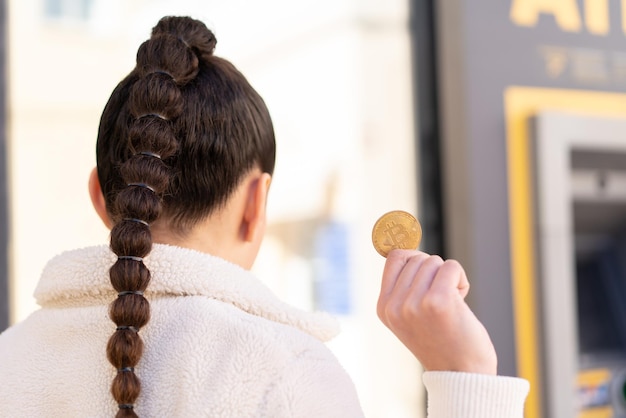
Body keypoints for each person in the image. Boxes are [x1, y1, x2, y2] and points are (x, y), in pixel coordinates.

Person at [0, 16, 528, 417]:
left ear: (100, 197)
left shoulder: (10, 361)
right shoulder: (288, 376)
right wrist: (465, 377)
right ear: (256, 204)